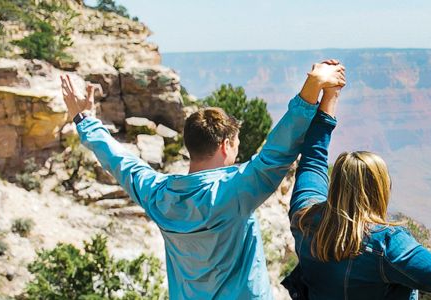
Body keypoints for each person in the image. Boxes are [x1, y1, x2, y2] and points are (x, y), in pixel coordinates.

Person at [61, 60, 345, 299]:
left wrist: (83, 119)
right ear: (225, 145)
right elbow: (276, 153)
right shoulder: (235, 191)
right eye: (236, 143)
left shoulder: (158, 195)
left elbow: (119, 160)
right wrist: (313, 89)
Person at [281, 82, 431, 298]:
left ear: (336, 182)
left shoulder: (305, 218)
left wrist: (330, 94)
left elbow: (312, 160)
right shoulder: (386, 243)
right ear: (380, 190)